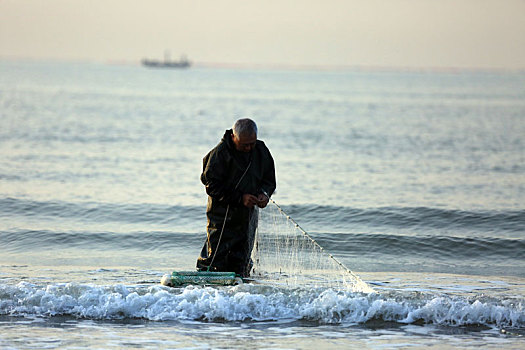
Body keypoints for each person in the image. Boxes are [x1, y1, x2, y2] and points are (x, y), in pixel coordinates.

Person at [197, 118, 276, 277]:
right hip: (222, 215)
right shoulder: (220, 153)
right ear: (233, 137)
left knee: (242, 260)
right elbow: (211, 185)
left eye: (251, 144)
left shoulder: (261, 151)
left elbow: (269, 180)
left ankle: (240, 293)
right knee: (214, 260)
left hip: (248, 216)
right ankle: (205, 294)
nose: (248, 148)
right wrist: (240, 198)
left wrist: (264, 194)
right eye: (244, 144)